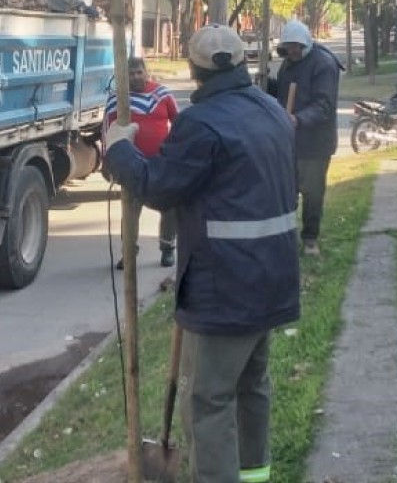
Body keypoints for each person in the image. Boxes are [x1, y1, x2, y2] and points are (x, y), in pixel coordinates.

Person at [104, 24, 301, 483]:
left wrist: (119, 151)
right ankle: (254, 475)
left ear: (194, 71)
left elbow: (159, 187)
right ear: (243, 63)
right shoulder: (271, 110)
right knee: (252, 386)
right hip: (272, 276)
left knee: (209, 400)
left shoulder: (201, 123)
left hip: (226, 286)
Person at [266, 19, 343, 256]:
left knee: (312, 193)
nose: (292, 51)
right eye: (288, 47)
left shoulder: (324, 64)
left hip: (314, 144)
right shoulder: (289, 63)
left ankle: (310, 239)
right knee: (286, 191)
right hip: (289, 143)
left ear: (305, 43)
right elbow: (283, 91)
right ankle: (285, 237)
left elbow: (324, 105)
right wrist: (266, 84)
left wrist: (298, 119)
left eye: (295, 47)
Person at [103, 57, 179, 268]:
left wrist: (179, 153)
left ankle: (167, 248)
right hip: (133, 165)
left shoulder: (162, 94)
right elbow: (107, 131)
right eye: (131, 73)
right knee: (130, 210)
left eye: (139, 72)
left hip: (162, 163)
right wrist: (107, 161)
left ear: (146, 72)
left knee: (170, 207)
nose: (136, 77)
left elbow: (179, 124)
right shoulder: (116, 99)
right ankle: (129, 253)